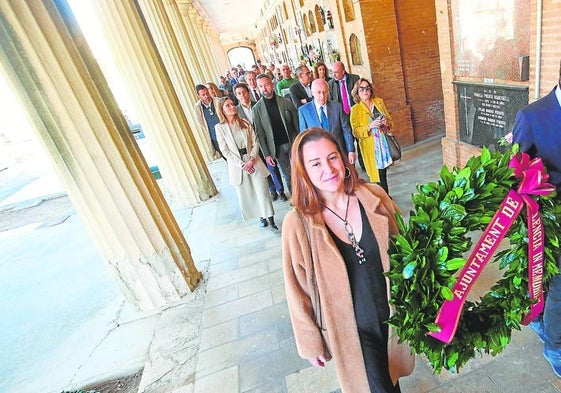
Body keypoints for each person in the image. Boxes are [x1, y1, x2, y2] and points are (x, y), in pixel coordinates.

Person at [282, 128, 414, 392]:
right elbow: (296, 288)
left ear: (343, 159)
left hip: (391, 315)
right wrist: (310, 341)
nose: (328, 169)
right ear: (303, 171)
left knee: (390, 378)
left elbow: (407, 248)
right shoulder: (298, 223)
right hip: (352, 329)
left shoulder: (373, 196)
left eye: (332, 158)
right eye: (315, 163)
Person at [512, 59, 561, 378]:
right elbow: (514, 172)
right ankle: (555, 346)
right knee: (559, 285)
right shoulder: (532, 116)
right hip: (551, 218)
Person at [215, 97, 278, 231]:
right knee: (250, 194)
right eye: (228, 106)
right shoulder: (220, 128)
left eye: (232, 104)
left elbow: (255, 142)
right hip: (238, 166)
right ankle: (261, 217)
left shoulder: (244, 122)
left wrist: (251, 159)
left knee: (263, 192)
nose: (232, 107)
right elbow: (225, 150)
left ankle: (271, 220)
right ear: (222, 110)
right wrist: (242, 164)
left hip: (253, 161)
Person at [234, 82, 287, 203]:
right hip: (251, 146)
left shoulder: (258, 105)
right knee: (262, 169)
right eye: (239, 93)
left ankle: (281, 190)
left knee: (272, 167)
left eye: (244, 92)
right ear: (236, 96)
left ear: (248, 92)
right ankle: (272, 190)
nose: (242, 95)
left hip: (264, 142)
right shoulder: (236, 111)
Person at [253, 73, 299, 195]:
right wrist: (266, 154)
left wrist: (300, 142)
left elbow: (296, 124)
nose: (264, 89)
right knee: (287, 174)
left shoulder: (286, 102)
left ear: (272, 84)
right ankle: (295, 199)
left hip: (292, 142)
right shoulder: (257, 109)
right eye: (261, 86)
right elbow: (260, 133)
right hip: (277, 148)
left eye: (266, 85)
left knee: (299, 171)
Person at [350, 78, 394, 194]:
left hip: (383, 144)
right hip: (371, 147)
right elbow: (356, 131)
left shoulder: (378, 102)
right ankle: (385, 197)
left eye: (367, 88)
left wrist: (386, 123)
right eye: (362, 89)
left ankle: (385, 197)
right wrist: (369, 127)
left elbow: (390, 121)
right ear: (357, 93)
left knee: (383, 173)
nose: (365, 91)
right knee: (377, 175)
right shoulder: (355, 109)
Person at [298, 79, 356, 165]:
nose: (322, 95)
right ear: (312, 93)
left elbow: (346, 130)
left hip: (339, 152)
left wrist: (351, 150)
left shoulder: (337, 107)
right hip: (319, 157)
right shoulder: (304, 111)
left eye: (325, 92)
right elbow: (304, 137)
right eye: (319, 92)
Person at [194, 84, 223, 159]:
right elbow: (202, 122)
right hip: (214, 137)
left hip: (224, 133)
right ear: (198, 96)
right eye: (203, 95)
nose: (206, 96)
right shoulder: (197, 107)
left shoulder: (217, 101)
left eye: (207, 93)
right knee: (225, 157)